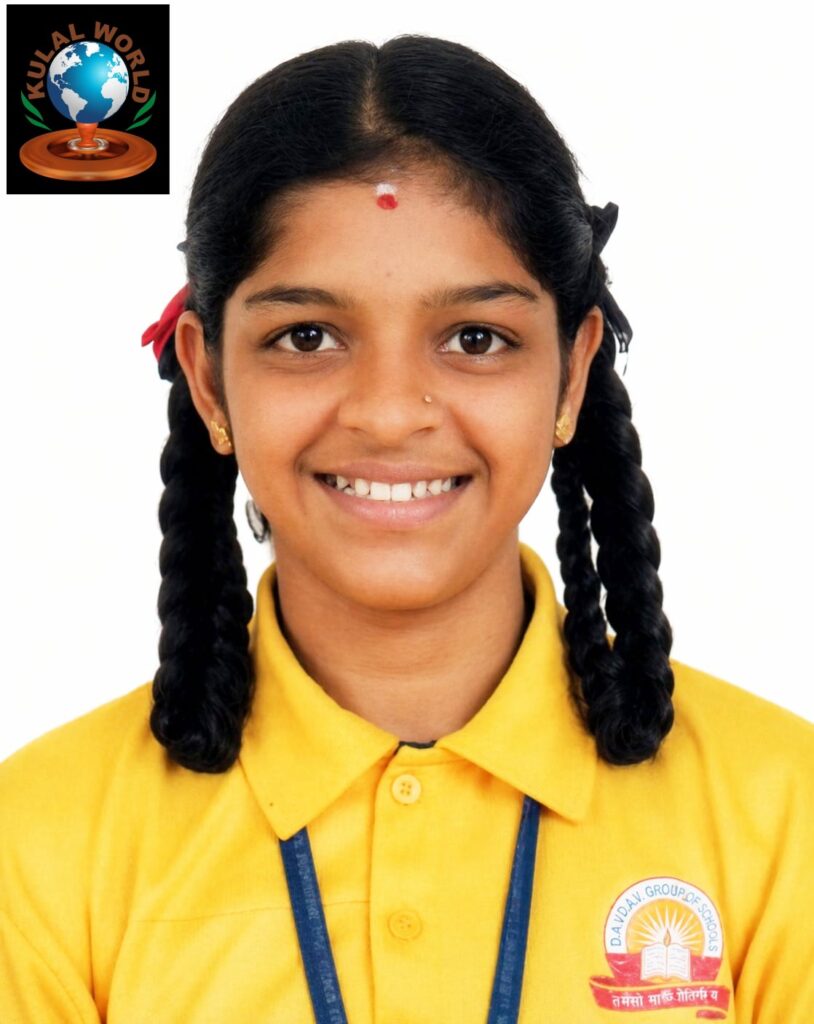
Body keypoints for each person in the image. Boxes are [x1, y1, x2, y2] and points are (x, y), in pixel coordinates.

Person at [1, 33, 813, 1023]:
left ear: (571, 373)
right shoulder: (37, 847)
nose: (389, 414)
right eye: (307, 336)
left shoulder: (784, 817)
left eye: (476, 338)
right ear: (209, 379)